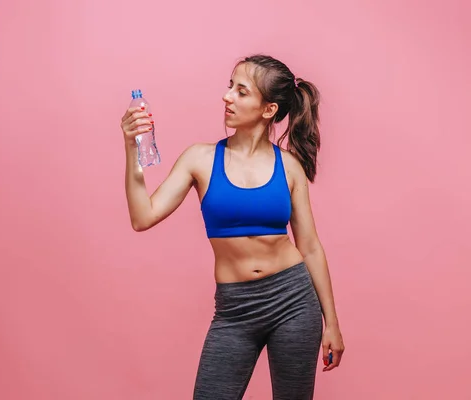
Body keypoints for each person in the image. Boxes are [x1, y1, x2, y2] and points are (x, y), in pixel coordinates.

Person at [121, 54, 345, 399]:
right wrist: (131, 149)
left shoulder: (288, 167)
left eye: (241, 91)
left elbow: (310, 246)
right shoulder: (200, 158)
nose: (227, 97)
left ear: (268, 109)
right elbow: (143, 217)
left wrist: (332, 322)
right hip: (235, 309)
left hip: (295, 302)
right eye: (230, 87)